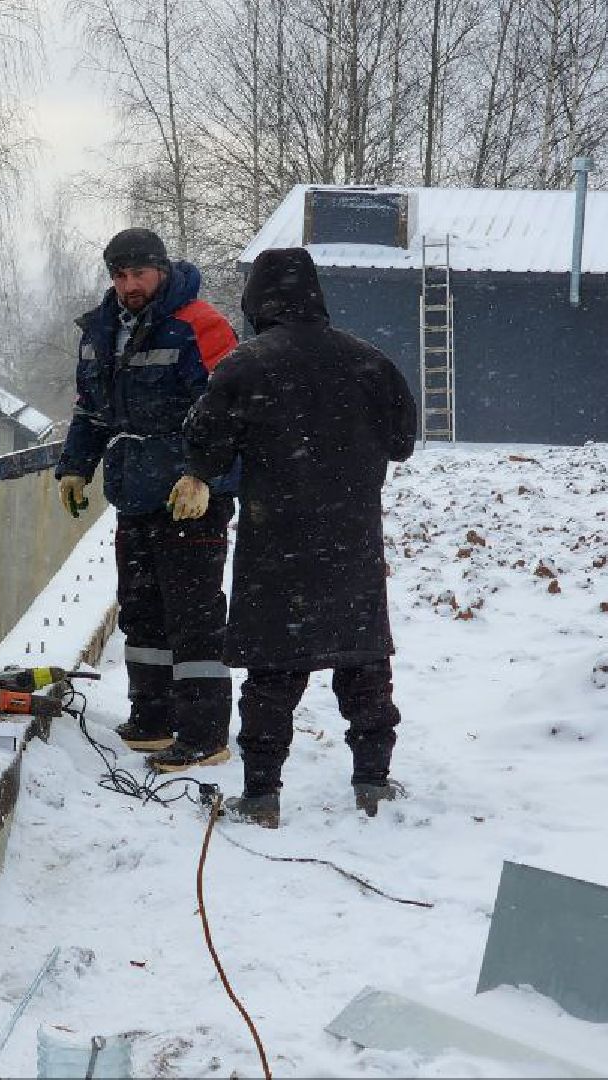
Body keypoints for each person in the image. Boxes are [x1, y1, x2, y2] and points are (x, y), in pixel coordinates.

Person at [170, 246, 417, 825]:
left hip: (275, 544)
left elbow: (206, 438)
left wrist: (198, 473)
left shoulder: (246, 364)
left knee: (274, 673)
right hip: (352, 543)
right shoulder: (369, 362)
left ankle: (261, 794)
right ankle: (373, 782)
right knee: (364, 662)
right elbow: (403, 441)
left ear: (258, 301)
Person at [55, 227, 241, 773]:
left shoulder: (199, 325)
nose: (129, 284)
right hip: (135, 492)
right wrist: (75, 466)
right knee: (142, 610)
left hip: (192, 498)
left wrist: (201, 474)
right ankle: (153, 720)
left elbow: (228, 410)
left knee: (194, 615)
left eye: (139, 273)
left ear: (161, 270)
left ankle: (205, 734)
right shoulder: (99, 332)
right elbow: (91, 410)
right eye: (119, 274)